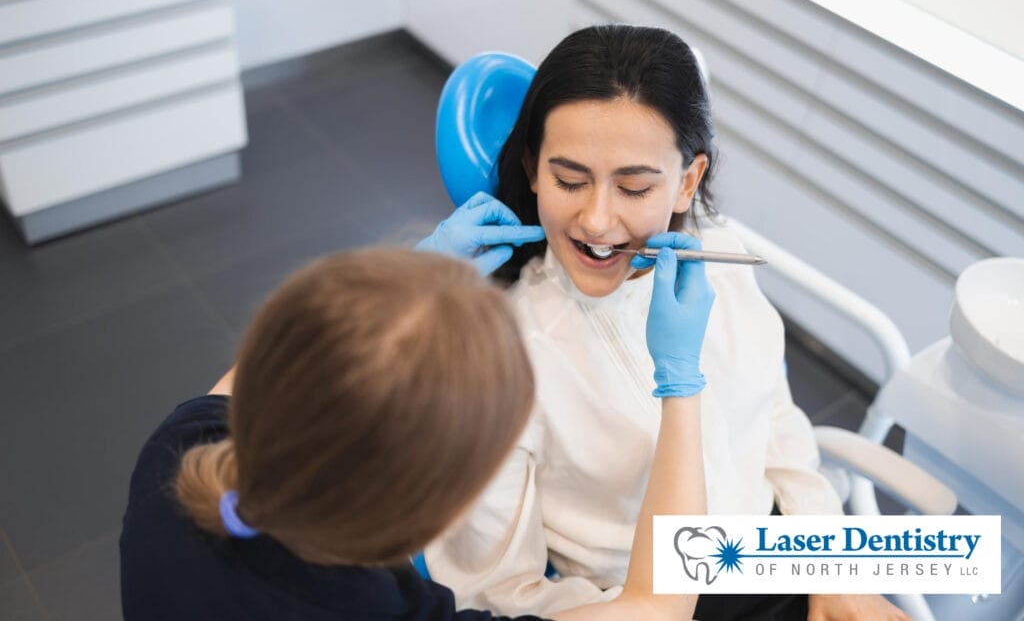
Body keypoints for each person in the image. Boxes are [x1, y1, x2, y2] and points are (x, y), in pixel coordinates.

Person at [422, 25, 909, 621]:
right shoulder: (500, 359)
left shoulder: (717, 258)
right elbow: (497, 591)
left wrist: (831, 566)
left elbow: (775, 420)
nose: (597, 220)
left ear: (686, 181)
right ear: (532, 169)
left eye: (634, 187)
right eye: (569, 181)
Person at [120, 244, 715, 620]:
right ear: (438, 522)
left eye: (634, 185)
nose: (601, 219)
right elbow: (658, 604)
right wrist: (682, 383)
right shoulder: (381, 608)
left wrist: (399, 304)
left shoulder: (175, 454)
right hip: (704, 568)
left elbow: (276, 367)